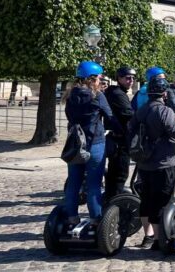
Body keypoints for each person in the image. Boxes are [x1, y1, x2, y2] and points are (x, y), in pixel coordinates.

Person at [128, 77, 175, 250]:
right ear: (164, 93)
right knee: (162, 200)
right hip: (163, 162)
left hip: (144, 162)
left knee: (146, 199)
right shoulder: (164, 111)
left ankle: (148, 236)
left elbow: (132, 128)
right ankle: (159, 240)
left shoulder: (142, 110)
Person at [63, 61, 118, 226]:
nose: (101, 82)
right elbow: (110, 117)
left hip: (75, 144)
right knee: (94, 184)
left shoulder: (70, 96)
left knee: (73, 182)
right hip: (95, 143)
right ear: (91, 79)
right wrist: (121, 130)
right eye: (99, 78)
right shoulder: (97, 96)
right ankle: (96, 219)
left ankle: (71, 217)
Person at [102, 66, 136, 201]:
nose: (131, 81)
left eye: (133, 78)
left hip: (115, 138)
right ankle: (114, 205)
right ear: (119, 78)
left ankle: (110, 200)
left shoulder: (115, 92)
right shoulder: (118, 94)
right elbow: (129, 114)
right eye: (128, 78)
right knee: (120, 174)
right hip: (120, 140)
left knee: (113, 174)